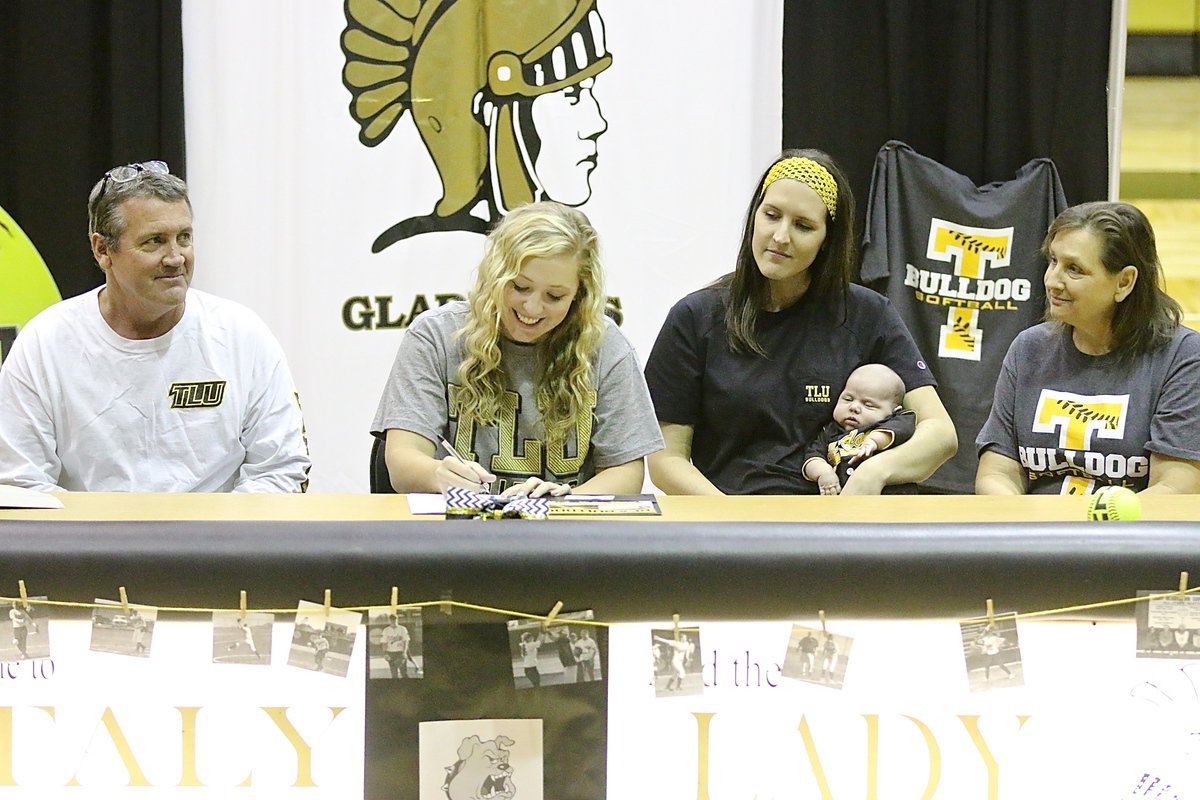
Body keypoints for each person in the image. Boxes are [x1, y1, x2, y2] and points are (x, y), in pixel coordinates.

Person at [644, 149, 956, 495]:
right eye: (771, 215)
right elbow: (665, 460)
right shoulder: (694, 318)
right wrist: (728, 519)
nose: (780, 236)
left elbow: (940, 433)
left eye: (803, 226)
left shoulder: (868, 314)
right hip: (735, 519)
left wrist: (875, 473)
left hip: (841, 524)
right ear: (754, 217)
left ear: (827, 241)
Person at [0, 161, 310, 493]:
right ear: (102, 250)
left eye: (184, 238)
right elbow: (20, 482)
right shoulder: (45, 343)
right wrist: (101, 541)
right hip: (90, 542)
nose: (176, 257)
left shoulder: (242, 336)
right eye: (155, 241)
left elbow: (282, 469)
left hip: (218, 541)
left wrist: (213, 539)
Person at [372, 201, 662, 497]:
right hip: (455, 532)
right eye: (520, 287)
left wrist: (565, 500)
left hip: (565, 534)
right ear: (494, 275)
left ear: (579, 295)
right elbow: (402, 461)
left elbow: (626, 472)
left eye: (555, 296)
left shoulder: (606, 345)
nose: (532, 307)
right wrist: (438, 474)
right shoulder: (436, 336)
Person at [976, 201, 1200, 495]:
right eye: (1053, 261)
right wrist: (1027, 532)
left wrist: (1093, 533)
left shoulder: (1182, 357)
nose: (1052, 280)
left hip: (1123, 536)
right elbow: (996, 472)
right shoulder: (1028, 349)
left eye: (1074, 269)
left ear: (1124, 282)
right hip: (1034, 536)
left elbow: (1175, 486)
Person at [802, 364, 916, 495]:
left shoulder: (894, 420)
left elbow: (904, 427)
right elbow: (812, 457)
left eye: (868, 405)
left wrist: (874, 440)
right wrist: (823, 473)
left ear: (893, 412)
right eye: (848, 399)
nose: (854, 407)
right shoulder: (829, 431)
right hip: (842, 500)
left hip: (891, 502)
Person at [382, 615, 411, 679]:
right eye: (392, 619)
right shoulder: (386, 630)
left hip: (400, 652)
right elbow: (384, 643)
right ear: (389, 620)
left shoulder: (402, 629)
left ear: (397, 619)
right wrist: (385, 653)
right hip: (390, 653)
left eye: (395, 619)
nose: (393, 621)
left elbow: (406, 641)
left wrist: (404, 652)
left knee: (404, 673)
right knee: (394, 674)